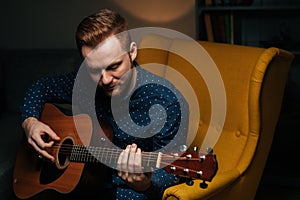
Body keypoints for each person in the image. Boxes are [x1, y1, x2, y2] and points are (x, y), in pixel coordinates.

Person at [19, 8, 189, 200]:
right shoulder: (84, 84)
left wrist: (145, 184)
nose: (106, 80)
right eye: (93, 70)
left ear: (132, 52)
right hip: (81, 182)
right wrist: (30, 122)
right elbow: (41, 87)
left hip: (127, 191)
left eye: (114, 66)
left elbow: (169, 175)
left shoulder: (167, 102)